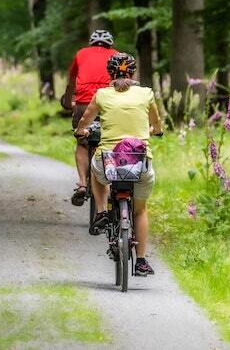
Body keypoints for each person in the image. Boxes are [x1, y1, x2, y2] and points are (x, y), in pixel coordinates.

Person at [74, 52, 163, 276]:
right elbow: (156, 123)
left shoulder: (102, 95)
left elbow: (85, 119)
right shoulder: (146, 94)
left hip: (109, 163)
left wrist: (81, 130)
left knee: (96, 171)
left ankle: (102, 211)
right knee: (140, 210)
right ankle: (141, 261)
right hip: (139, 163)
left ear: (110, 74)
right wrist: (156, 131)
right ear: (133, 72)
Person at [61, 30, 118, 206]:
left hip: (84, 102)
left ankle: (82, 183)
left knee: (82, 142)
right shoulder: (116, 55)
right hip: (109, 102)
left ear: (92, 43)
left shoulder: (81, 54)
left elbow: (72, 82)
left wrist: (68, 101)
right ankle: (112, 182)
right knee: (111, 141)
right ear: (110, 44)